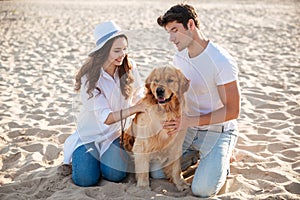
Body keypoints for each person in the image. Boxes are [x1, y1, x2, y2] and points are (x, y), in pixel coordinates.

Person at [156, 4, 241, 197]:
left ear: (191, 24)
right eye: (168, 32)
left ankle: (223, 158)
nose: (171, 38)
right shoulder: (179, 57)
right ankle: (197, 157)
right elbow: (181, 93)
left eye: (175, 30)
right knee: (157, 171)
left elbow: (233, 111)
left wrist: (189, 121)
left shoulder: (221, 61)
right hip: (190, 130)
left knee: (202, 190)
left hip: (219, 131)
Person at [63, 21, 145, 187]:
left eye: (124, 48)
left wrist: (142, 101)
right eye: (117, 50)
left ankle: (105, 160)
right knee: (85, 179)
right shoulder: (89, 77)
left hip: (114, 135)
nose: (122, 54)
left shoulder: (129, 66)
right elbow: (106, 118)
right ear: (103, 51)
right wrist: (135, 108)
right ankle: (84, 159)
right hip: (89, 136)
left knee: (115, 175)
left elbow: (138, 92)